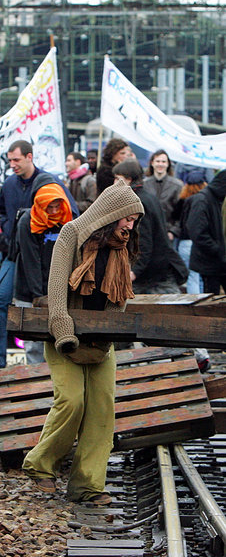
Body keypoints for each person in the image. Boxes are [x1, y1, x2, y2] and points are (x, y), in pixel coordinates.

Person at [22, 179, 144, 504]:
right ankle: (41, 466)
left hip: (101, 341)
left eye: (134, 221)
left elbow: (119, 299)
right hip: (64, 336)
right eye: (127, 218)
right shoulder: (71, 234)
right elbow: (57, 289)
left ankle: (87, 486)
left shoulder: (120, 248)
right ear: (112, 213)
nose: (130, 226)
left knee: (102, 409)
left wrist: (108, 337)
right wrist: (64, 332)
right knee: (72, 401)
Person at [0, 139, 78, 368]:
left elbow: (73, 216)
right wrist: (6, 227)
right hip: (15, 255)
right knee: (5, 300)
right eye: (10, 160)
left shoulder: (52, 183)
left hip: (50, 263)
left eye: (16, 159)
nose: (12, 164)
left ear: (29, 157)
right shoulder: (10, 185)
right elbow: (2, 211)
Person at [13, 173, 73, 364]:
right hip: (30, 291)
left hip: (59, 290)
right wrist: (39, 296)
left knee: (58, 341)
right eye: (49, 207)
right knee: (33, 344)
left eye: (57, 206)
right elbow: (31, 262)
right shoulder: (27, 222)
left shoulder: (68, 218)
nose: (54, 211)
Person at [113, 160, 188, 294]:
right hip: (159, 265)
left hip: (150, 272)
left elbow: (143, 239)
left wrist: (135, 270)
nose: (114, 183)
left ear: (129, 179)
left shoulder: (137, 202)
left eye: (118, 179)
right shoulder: (149, 197)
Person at [186, 170, 226, 295]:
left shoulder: (216, 199)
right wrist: (218, 249)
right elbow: (197, 232)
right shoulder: (203, 200)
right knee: (210, 302)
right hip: (209, 262)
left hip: (218, 260)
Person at [173, 168, 207, 293]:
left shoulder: (182, 201)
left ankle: (195, 306)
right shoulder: (206, 200)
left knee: (192, 277)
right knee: (203, 277)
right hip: (201, 241)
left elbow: (176, 218)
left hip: (185, 242)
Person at [144, 149, 183, 243]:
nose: (160, 164)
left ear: (168, 164)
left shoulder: (177, 186)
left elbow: (182, 212)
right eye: (157, 161)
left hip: (167, 234)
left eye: (163, 161)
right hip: (147, 233)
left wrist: (173, 232)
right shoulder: (144, 184)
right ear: (152, 163)